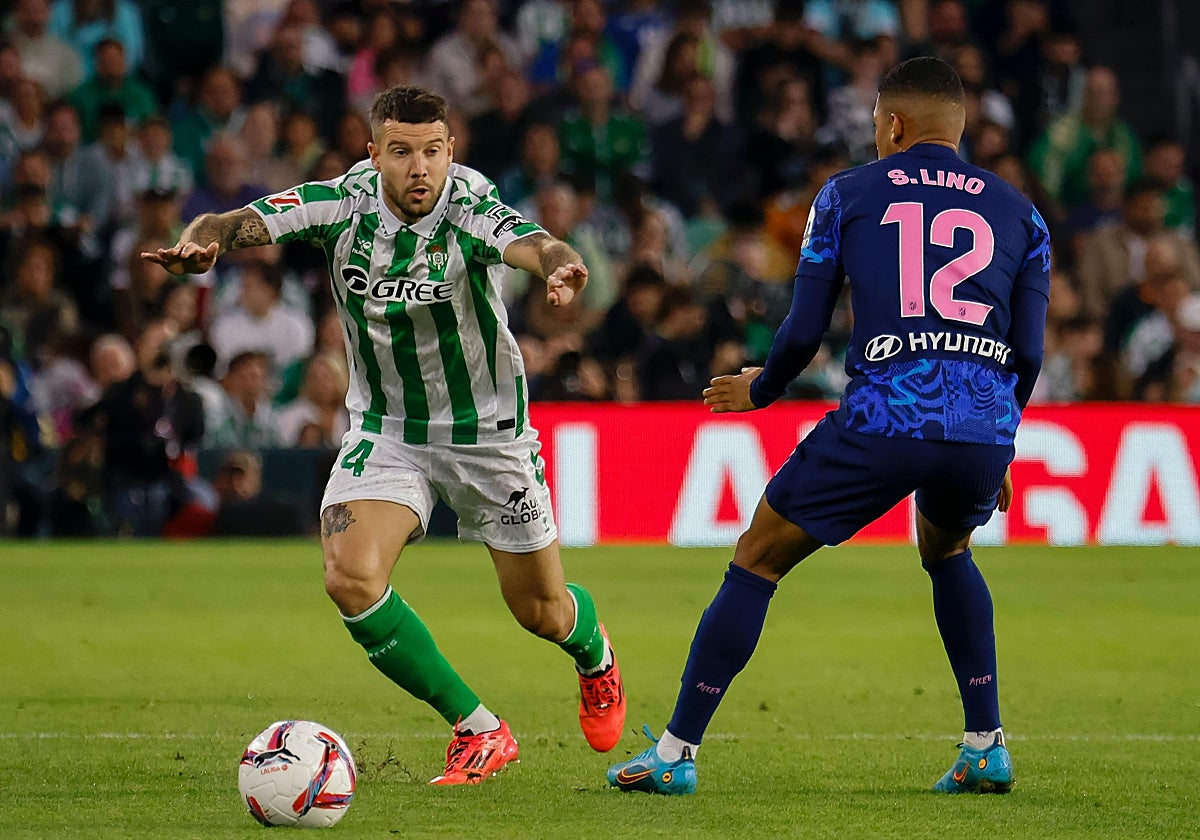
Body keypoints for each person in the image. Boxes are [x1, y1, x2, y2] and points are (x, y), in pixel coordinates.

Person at [142, 85, 626, 785]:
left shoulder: (468, 203)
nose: (419, 168)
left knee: (542, 612)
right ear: (374, 155)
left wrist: (557, 266)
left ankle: (595, 657)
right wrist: (203, 240)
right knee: (349, 574)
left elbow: (531, 241)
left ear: (450, 152)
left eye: (432, 151)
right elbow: (241, 219)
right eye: (401, 153)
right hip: (388, 429)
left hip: (488, 435)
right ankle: (478, 727)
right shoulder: (343, 205)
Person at [608, 57, 1050, 796]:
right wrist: (1000, 431)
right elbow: (1029, 350)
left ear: (894, 124)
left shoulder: (845, 194)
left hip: (885, 414)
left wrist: (765, 388)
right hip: (980, 425)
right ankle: (985, 744)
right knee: (948, 551)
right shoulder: (1023, 214)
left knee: (756, 557)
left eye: (879, 124)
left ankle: (675, 754)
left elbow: (805, 326)